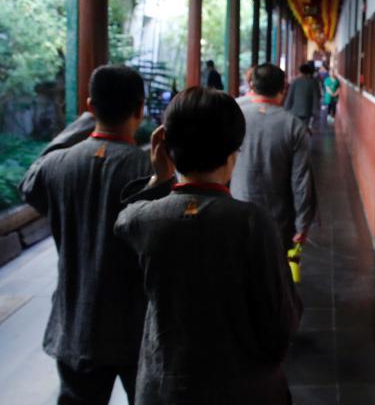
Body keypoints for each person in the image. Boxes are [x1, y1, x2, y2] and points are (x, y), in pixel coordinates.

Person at [114, 87, 301, 405]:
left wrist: (159, 179)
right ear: (233, 155)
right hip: (242, 388)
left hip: (164, 387)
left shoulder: (140, 220)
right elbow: (279, 324)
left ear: (166, 149)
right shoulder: (252, 223)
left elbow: (125, 222)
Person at [19, 65, 152, 405]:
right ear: (140, 108)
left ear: (91, 106)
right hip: (133, 327)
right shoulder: (146, 171)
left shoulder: (55, 166)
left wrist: (77, 127)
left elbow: (30, 183)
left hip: (75, 323)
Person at [231, 63, 316, 250]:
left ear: (252, 85)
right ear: (283, 88)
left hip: (234, 212)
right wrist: (302, 224)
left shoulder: (233, 115)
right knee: (272, 272)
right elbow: (301, 181)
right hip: (277, 221)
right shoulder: (293, 126)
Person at [283, 63, 322, 127]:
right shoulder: (314, 82)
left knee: (294, 128)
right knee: (303, 129)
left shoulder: (295, 81)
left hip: (294, 111)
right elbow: (316, 98)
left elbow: (290, 96)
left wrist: (286, 108)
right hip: (307, 111)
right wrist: (316, 112)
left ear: (300, 72)